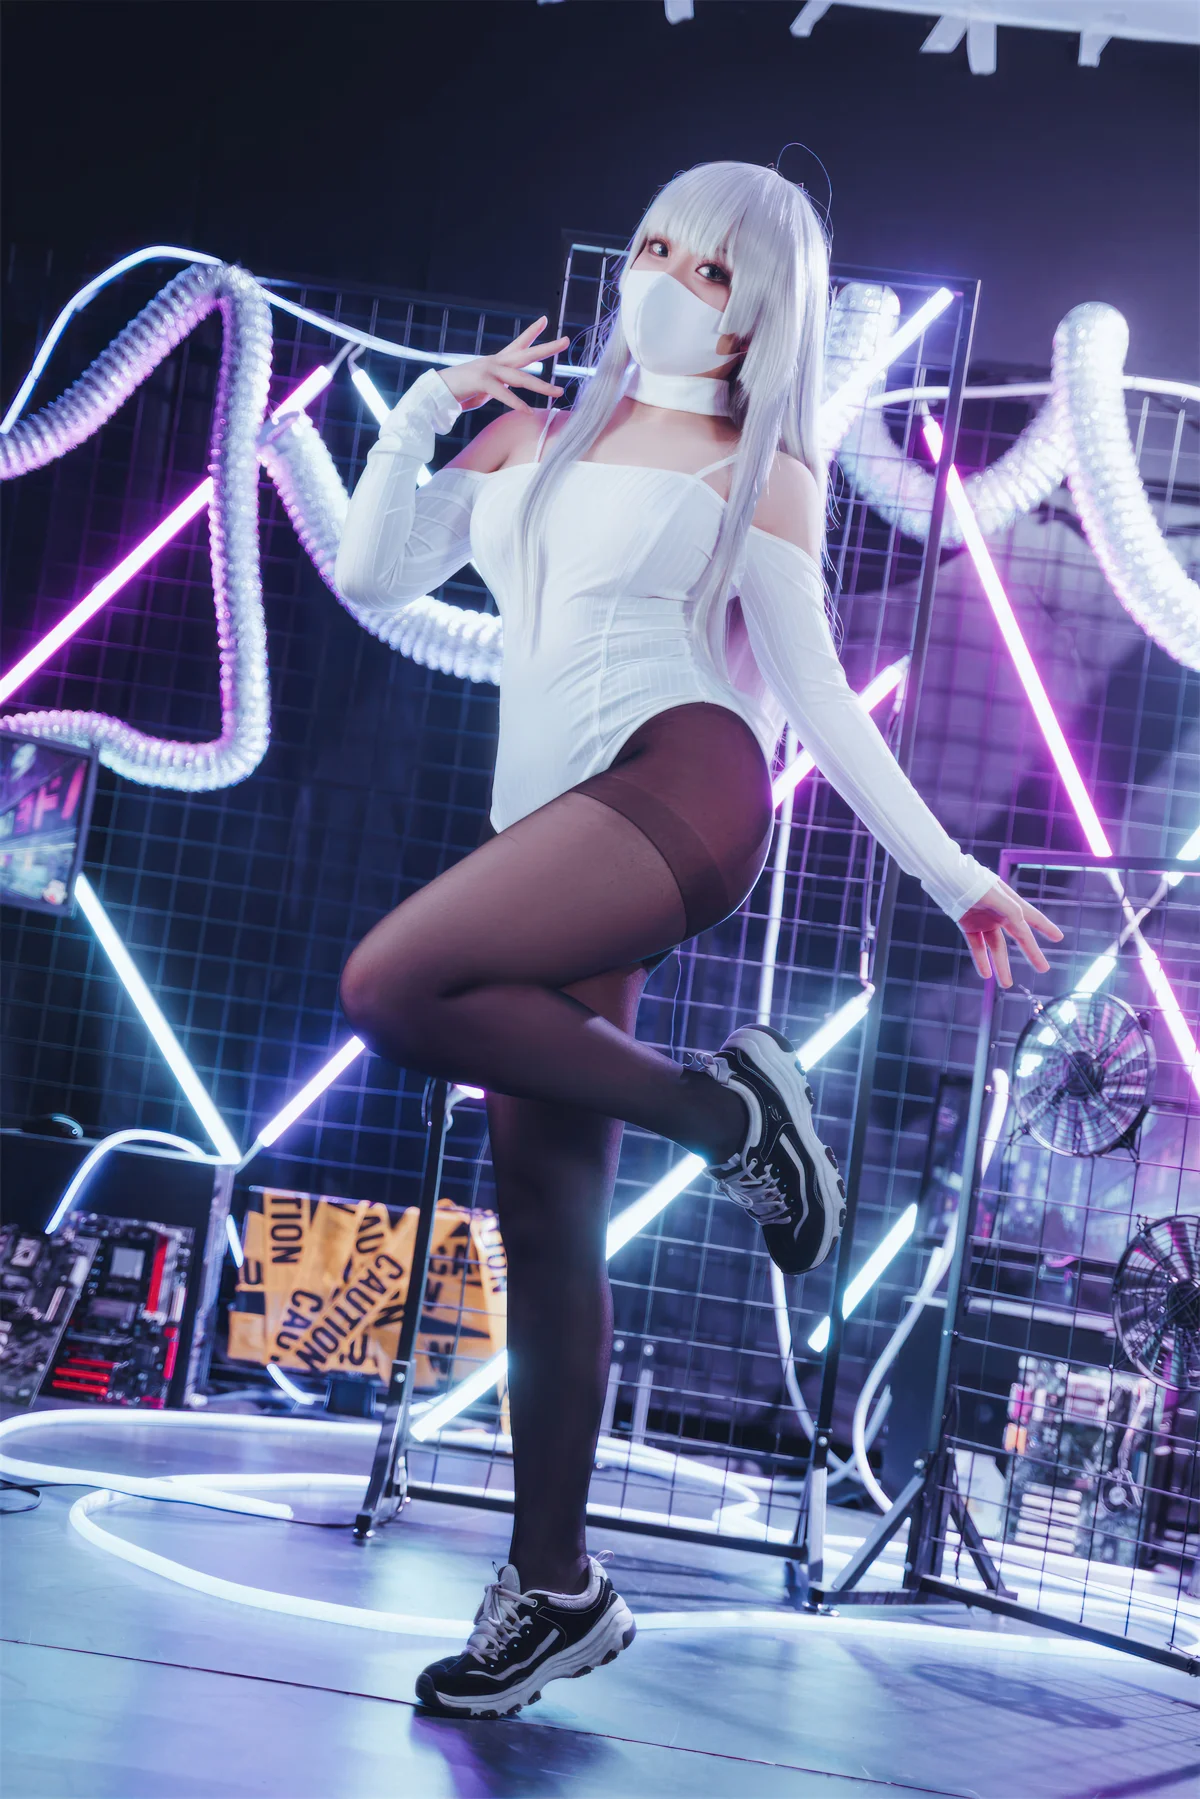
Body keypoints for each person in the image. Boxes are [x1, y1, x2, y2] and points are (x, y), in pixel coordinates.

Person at [333, 159, 1062, 1720]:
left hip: (682, 786)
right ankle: (553, 1586)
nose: (663, 278)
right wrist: (428, 410)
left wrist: (953, 878)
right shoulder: (532, 436)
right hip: (547, 836)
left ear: (759, 312)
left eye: (710, 267)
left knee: (387, 984)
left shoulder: (759, 472)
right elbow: (371, 570)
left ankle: (729, 1117)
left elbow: (815, 697)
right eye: (656, 245)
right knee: (547, 1218)